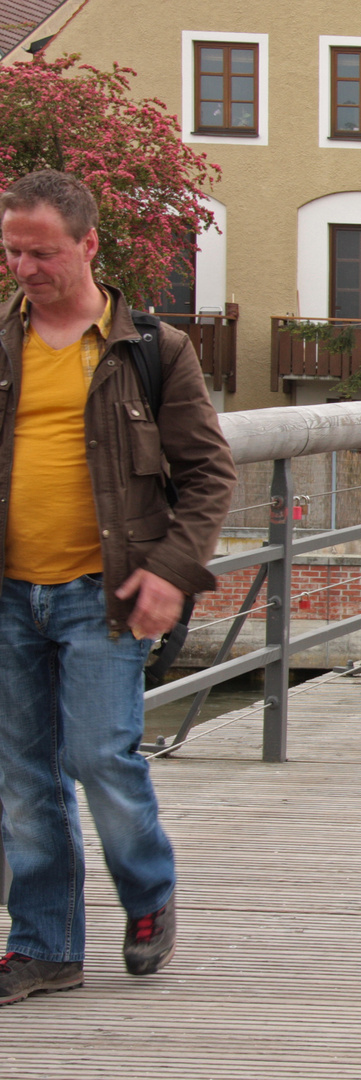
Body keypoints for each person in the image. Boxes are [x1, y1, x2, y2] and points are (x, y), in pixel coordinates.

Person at [0, 169, 236, 1005]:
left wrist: (172, 574)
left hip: (104, 588)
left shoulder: (150, 350)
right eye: (13, 251)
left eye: (43, 253)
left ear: (89, 245)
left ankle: (147, 895)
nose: (26, 268)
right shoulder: (3, 341)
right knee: (24, 780)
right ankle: (43, 945)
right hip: (8, 593)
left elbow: (209, 474)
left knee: (100, 755)